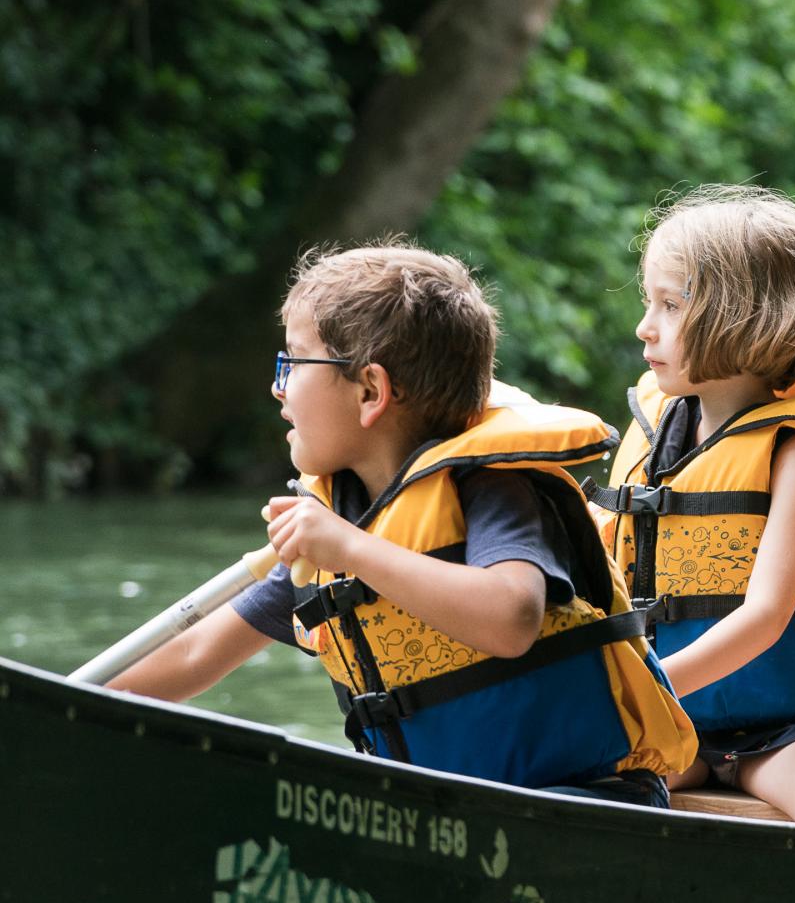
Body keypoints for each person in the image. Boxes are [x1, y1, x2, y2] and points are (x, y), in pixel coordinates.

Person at [108, 243, 698, 805]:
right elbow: (191, 657)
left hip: (579, 797)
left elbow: (511, 619)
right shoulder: (336, 522)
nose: (276, 384)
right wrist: (74, 707)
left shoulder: (492, 490)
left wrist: (350, 548)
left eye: (293, 361)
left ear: (370, 391)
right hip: (436, 812)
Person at [587, 185, 795, 827]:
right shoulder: (657, 438)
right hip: (679, 718)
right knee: (567, 764)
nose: (643, 326)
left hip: (785, 730)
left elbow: (765, 617)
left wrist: (647, 691)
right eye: (647, 301)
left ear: (744, 318)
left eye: (669, 305)